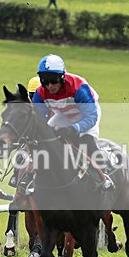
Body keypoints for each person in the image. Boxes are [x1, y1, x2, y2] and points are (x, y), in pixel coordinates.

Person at [31, 53, 113, 190]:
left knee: (86, 142)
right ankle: (32, 178)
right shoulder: (40, 93)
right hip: (63, 115)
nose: (50, 86)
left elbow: (91, 117)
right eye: (45, 81)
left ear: (62, 77)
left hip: (87, 115)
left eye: (53, 80)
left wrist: (73, 129)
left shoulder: (78, 87)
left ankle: (103, 176)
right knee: (43, 141)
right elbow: (39, 119)